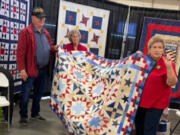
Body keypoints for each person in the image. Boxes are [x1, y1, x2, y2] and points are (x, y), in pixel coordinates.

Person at [16, 7, 58, 124]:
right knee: (25, 94)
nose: (42, 19)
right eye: (39, 17)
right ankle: (23, 116)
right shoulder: (25, 32)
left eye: (43, 17)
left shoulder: (46, 33)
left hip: (43, 69)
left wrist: (54, 49)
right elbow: (20, 53)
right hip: (30, 69)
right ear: (33, 18)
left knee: (38, 95)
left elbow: (49, 48)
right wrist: (22, 69)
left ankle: (35, 113)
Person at [135, 35, 177, 135]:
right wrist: (135, 58)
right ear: (149, 49)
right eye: (154, 47)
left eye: (160, 47)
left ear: (163, 49)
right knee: (139, 129)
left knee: (149, 131)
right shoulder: (144, 60)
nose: (157, 50)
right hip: (140, 102)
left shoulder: (167, 62)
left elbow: (172, 82)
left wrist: (169, 67)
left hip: (156, 104)